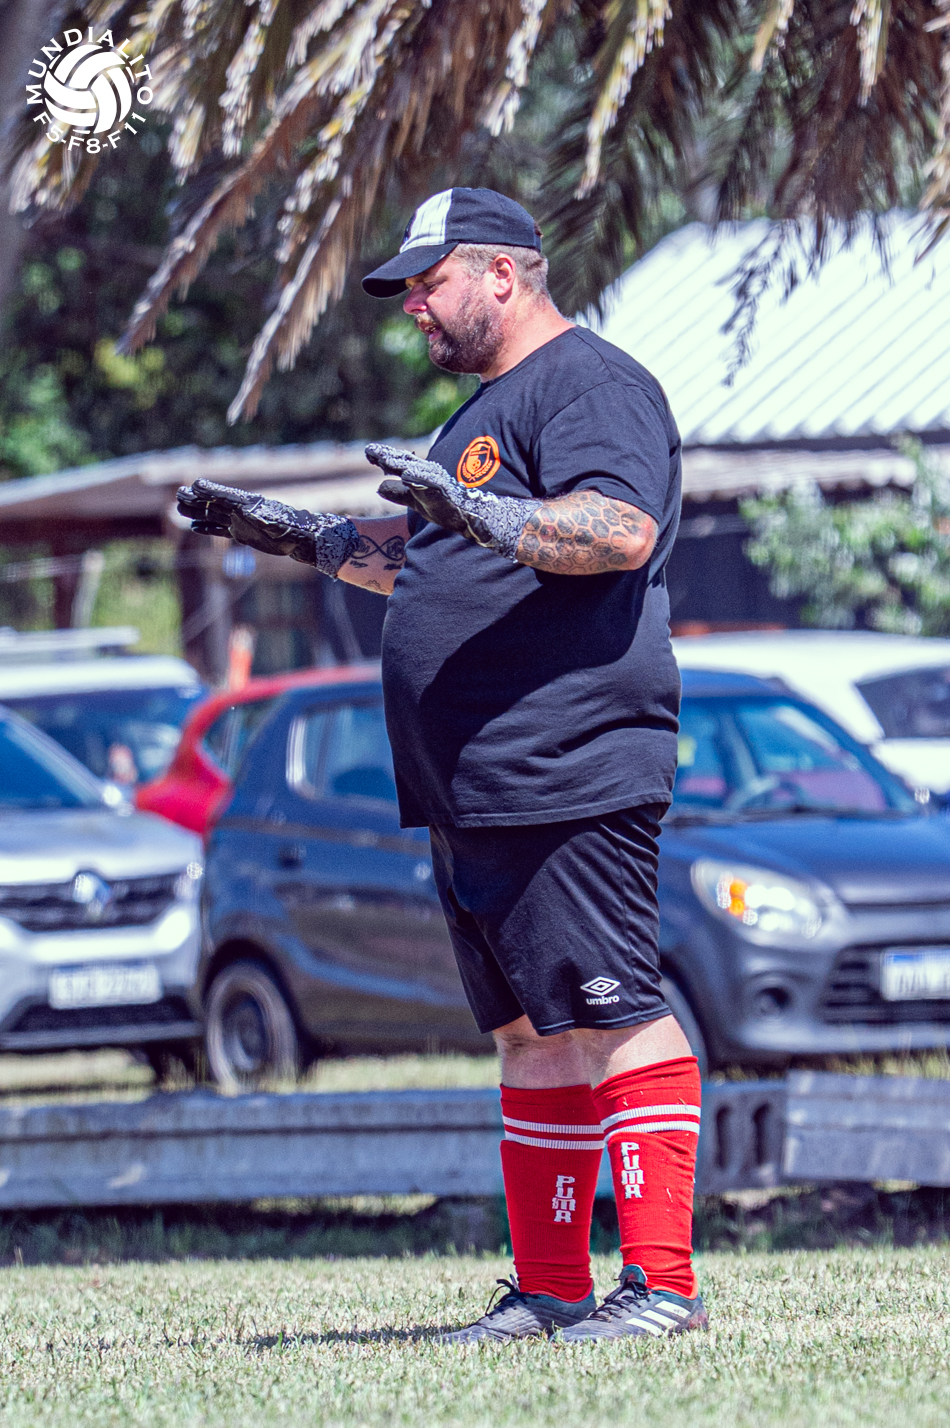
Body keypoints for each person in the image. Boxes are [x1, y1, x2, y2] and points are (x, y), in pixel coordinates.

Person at [177, 187, 706, 1344]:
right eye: (406, 289)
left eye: (428, 281)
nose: (411, 305)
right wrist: (300, 536)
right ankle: (551, 1291)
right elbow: (428, 561)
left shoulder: (587, 384)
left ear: (502, 273)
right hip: (471, 783)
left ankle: (661, 1289)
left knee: (613, 1013)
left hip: (564, 763)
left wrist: (483, 515)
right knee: (529, 1034)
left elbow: (616, 531)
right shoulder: (481, 412)